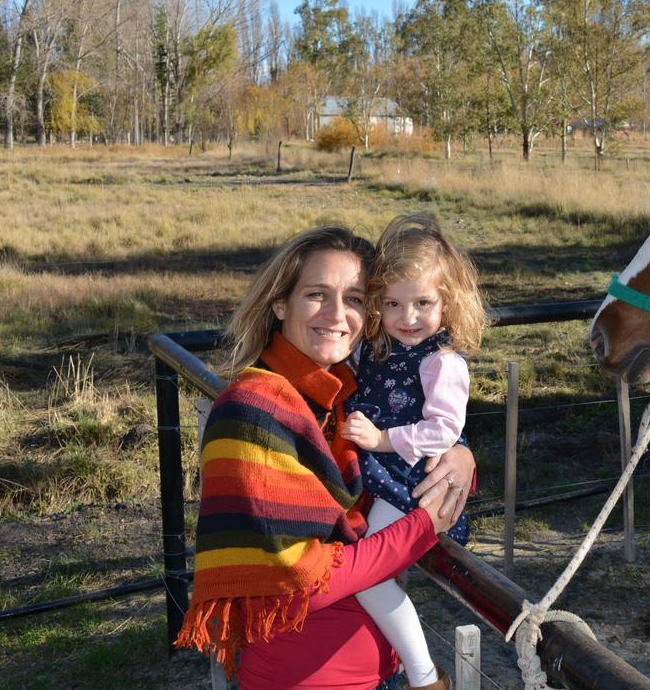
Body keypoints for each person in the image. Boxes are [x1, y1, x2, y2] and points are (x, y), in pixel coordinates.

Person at [175, 225, 475, 690]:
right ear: (280, 304)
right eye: (318, 294)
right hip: (305, 678)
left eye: (355, 298)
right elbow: (305, 579)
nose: (337, 314)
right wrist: (423, 525)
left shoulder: (344, 396)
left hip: (381, 671)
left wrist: (460, 456)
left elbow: (408, 460)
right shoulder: (252, 413)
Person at [340, 213, 487, 690]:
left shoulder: (442, 363)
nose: (408, 318)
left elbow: (444, 429)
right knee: (373, 575)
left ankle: (423, 677)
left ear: (449, 302)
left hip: (405, 486)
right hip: (379, 479)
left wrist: (381, 440)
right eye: (393, 304)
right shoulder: (381, 348)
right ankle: (399, 664)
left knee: (369, 574)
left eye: (423, 303)